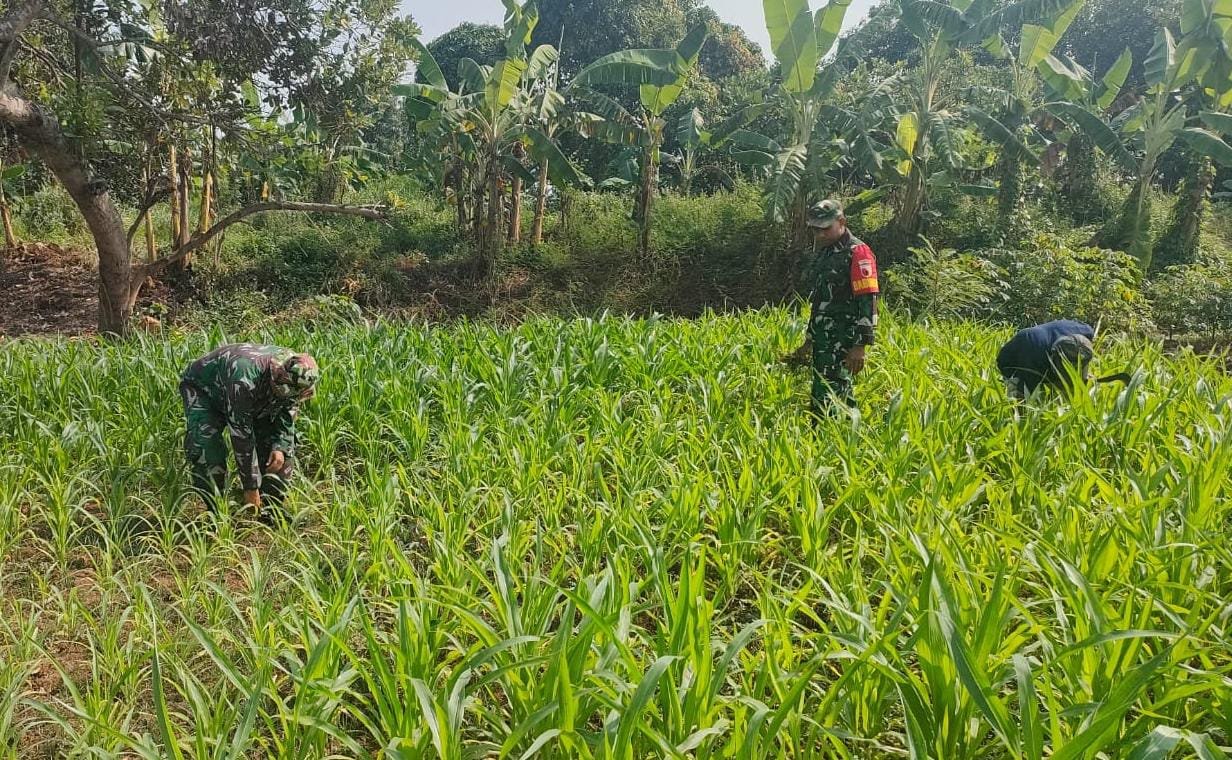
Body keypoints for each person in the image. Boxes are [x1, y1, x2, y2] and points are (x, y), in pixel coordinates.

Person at [179, 344, 319, 513]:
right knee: (207, 450)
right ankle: (215, 511)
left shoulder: (300, 376)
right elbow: (241, 436)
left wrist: (279, 445)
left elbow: (287, 411)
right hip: (205, 391)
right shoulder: (244, 380)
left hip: (257, 394)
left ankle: (269, 510)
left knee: (279, 459)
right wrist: (250, 487)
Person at [792, 199, 880, 415]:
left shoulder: (858, 253)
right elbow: (820, 302)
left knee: (839, 396)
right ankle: (818, 442)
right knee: (820, 394)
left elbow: (868, 300)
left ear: (841, 221)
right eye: (815, 230)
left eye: (825, 229)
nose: (819, 235)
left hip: (844, 341)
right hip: (823, 339)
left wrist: (860, 346)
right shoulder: (826, 252)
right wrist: (809, 340)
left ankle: (845, 441)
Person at [996, 319, 1099, 400]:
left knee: (1077, 390)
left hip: (1043, 349)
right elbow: (1025, 396)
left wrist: (1082, 378)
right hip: (1012, 362)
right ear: (1053, 356)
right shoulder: (1032, 360)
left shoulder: (1085, 331)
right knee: (1021, 402)